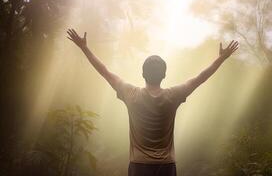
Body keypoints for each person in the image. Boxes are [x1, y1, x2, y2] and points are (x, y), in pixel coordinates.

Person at [66, 29, 239, 176]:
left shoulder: (130, 94)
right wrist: (221, 58)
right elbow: (200, 78)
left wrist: (84, 48)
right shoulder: (174, 95)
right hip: (167, 166)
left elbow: (104, 71)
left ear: (142, 74)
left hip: (138, 165)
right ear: (164, 75)